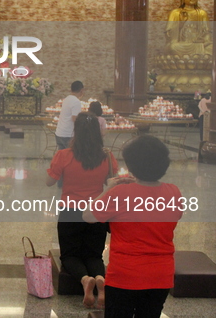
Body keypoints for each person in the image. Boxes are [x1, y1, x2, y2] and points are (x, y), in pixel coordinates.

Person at [83, 136, 182, 318]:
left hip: (125, 275)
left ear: (131, 165)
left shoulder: (121, 193)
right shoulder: (173, 191)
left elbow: (88, 216)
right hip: (161, 275)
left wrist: (107, 190)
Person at [46, 112, 117, 309]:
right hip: (97, 211)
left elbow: (49, 182)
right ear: (98, 132)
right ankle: (100, 278)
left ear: (75, 132)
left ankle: (85, 280)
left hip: (70, 211)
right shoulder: (107, 156)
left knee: (70, 255)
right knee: (94, 255)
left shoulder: (63, 155)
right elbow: (111, 182)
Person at [55, 81, 85, 150]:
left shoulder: (66, 99)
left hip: (59, 133)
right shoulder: (76, 101)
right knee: (70, 158)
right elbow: (75, 119)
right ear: (82, 90)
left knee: (62, 157)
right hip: (68, 135)